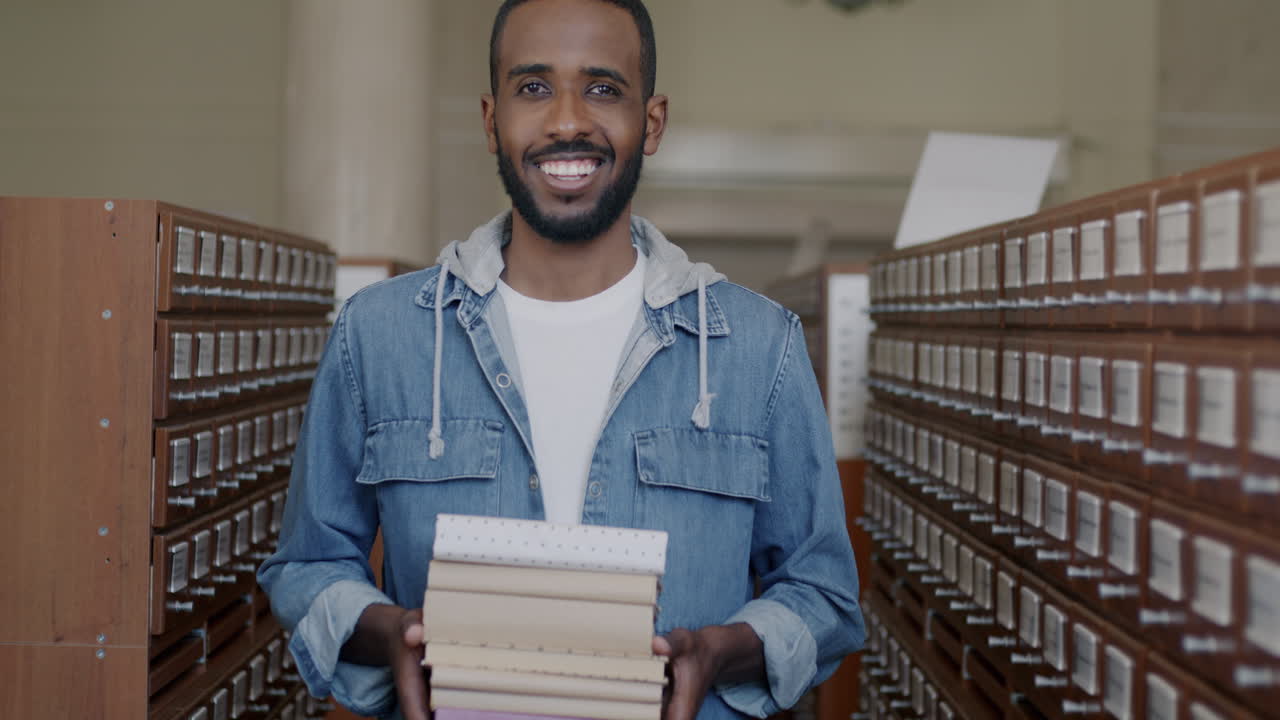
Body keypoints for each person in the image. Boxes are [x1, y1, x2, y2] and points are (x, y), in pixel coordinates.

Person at [258, 0, 865, 718]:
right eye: (534, 87)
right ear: (491, 119)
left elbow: (821, 594)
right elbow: (308, 564)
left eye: (603, 88)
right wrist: (388, 634)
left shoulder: (759, 348)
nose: (569, 120)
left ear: (654, 121)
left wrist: (721, 649)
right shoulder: (380, 335)